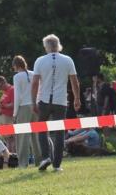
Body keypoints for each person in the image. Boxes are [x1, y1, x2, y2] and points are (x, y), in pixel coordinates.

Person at [31, 34, 82, 172]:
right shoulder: (67, 60)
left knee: (42, 129)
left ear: (46, 46)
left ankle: (46, 156)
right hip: (60, 100)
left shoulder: (40, 61)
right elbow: (74, 82)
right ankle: (57, 164)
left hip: (44, 100)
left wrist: (33, 101)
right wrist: (77, 98)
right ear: (58, 45)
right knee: (60, 132)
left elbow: (35, 83)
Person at [11, 55, 41, 169]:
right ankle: (40, 160)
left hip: (24, 107)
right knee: (37, 135)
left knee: (23, 136)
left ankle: (23, 163)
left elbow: (17, 96)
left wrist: (14, 113)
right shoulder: (34, 74)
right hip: (36, 105)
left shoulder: (17, 77)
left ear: (15, 65)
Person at [0, 76, 15, 154]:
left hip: (8, 117)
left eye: (0, 87)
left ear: (4, 83)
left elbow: (13, 104)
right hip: (3, 117)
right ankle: (10, 155)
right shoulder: (5, 91)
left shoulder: (12, 90)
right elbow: (5, 102)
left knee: (10, 138)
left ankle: (12, 156)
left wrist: (2, 106)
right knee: (6, 138)